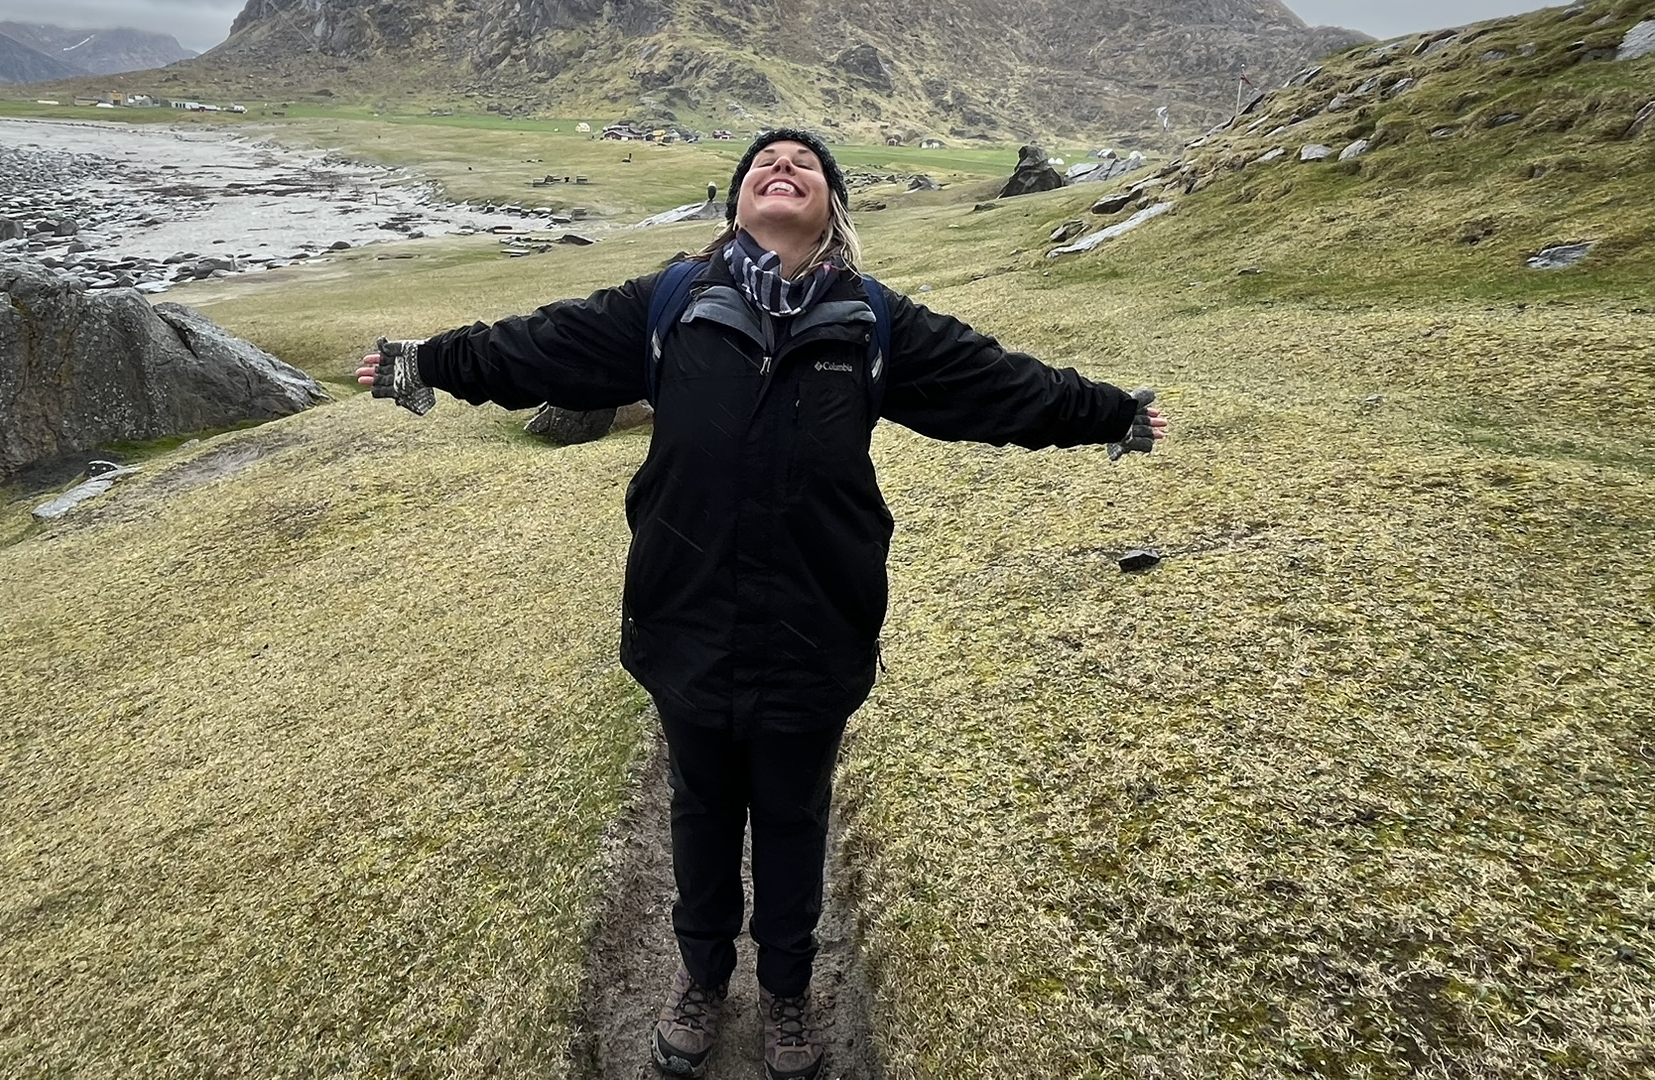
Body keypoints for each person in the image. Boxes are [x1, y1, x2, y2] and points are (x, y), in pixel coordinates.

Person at [358, 128, 1165, 1080]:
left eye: (806, 167)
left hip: (815, 623)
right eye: (763, 167)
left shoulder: (871, 321)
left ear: (832, 207)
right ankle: (701, 979)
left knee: (791, 815)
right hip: (686, 616)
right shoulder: (669, 302)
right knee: (701, 810)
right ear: (737, 202)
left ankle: (786, 993)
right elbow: (537, 347)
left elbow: (997, 386)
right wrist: (428, 360)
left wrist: (1110, 410)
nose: (783, 171)